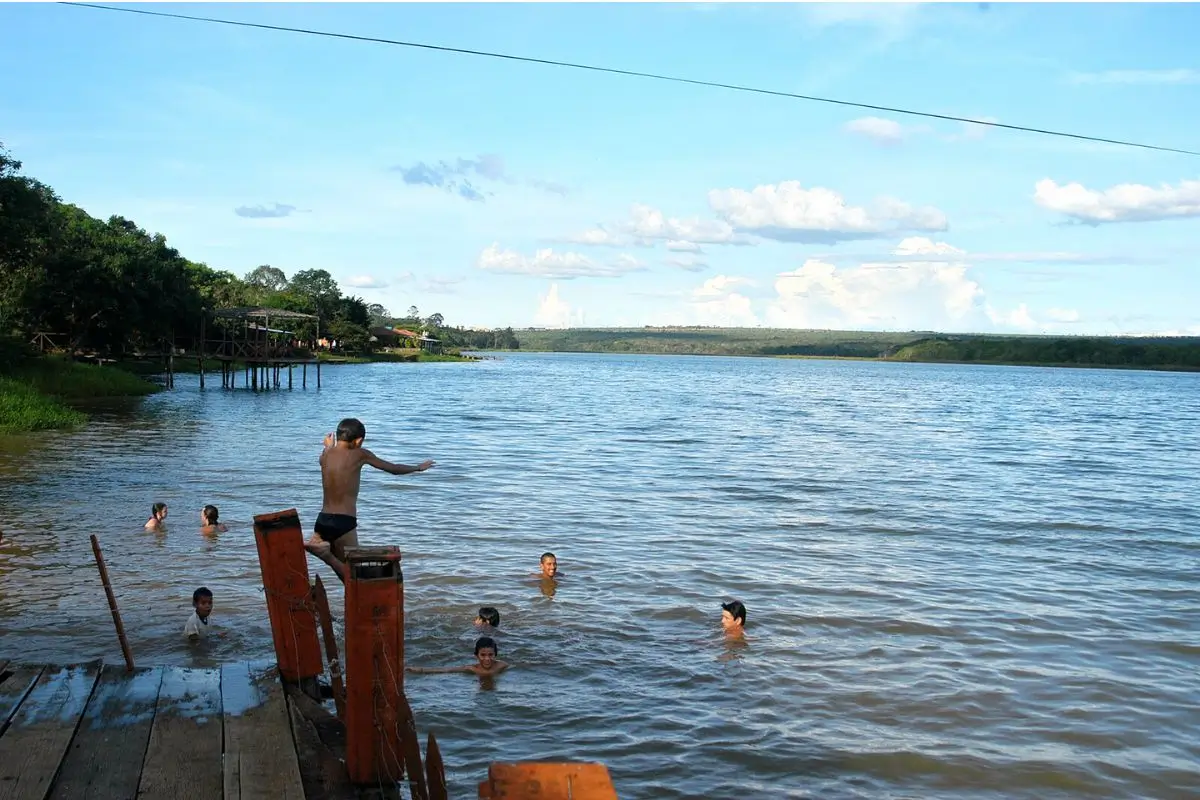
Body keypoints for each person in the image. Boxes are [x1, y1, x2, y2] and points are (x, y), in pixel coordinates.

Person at [304, 418, 435, 582]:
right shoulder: (360, 454)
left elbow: (326, 458)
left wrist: (329, 446)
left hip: (322, 520)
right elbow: (393, 469)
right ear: (358, 440)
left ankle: (323, 551)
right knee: (355, 578)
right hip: (343, 522)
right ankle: (325, 555)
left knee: (344, 575)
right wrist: (418, 468)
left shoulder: (325, 455)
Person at [406, 636, 509, 677]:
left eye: (490, 655)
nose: (487, 659)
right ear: (476, 656)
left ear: (496, 655)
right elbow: (446, 670)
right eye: (483, 655)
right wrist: (421, 670)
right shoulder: (472, 669)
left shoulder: (502, 665)